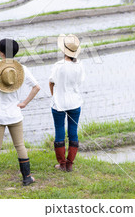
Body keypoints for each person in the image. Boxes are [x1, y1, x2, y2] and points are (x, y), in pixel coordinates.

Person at [0, 39, 40, 186]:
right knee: (20, 145)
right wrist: (24, 103)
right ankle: (27, 177)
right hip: (15, 114)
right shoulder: (22, 69)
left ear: (1, 53)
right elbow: (36, 87)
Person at [49, 34, 85, 172]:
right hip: (75, 102)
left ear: (64, 50)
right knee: (73, 132)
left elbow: (51, 82)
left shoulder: (58, 66)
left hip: (58, 104)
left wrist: (55, 96)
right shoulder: (80, 65)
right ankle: (70, 164)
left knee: (59, 131)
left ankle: (62, 164)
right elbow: (79, 82)